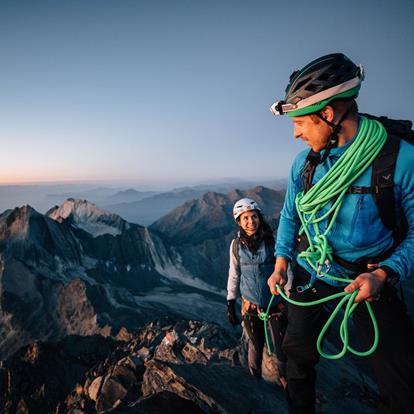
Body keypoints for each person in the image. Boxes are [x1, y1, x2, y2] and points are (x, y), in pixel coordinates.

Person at [267, 53, 414, 413]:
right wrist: (282, 262)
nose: (296, 133)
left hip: (370, 277)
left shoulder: (400, 160)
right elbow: (290, 216)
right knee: (296, 356)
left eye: (300, 122)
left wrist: (383, 274)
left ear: (328, 115)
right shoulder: (305, 164)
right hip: (315, 271)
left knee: (403, 382)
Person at [227, 198, 287, 385]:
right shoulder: (236, 246)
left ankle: (287, 382)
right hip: (250, 305)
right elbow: (234, 274)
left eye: (254, 217)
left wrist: (289, 295)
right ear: (239, 221)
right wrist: (230, 301)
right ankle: (255, 382)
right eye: (245, 218)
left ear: (259, 218)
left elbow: (285, 270)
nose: (251, 222)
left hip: (275, 302)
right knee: (256, 345)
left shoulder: (272, 242)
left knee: (281, 347)